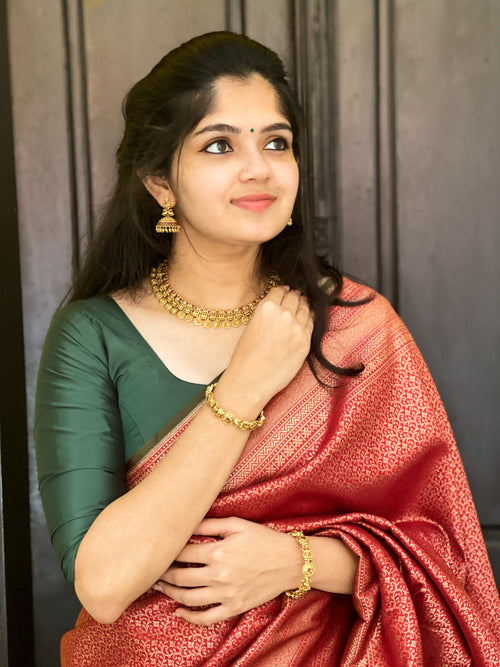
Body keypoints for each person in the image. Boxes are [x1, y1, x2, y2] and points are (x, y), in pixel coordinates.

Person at [34, 31, 500, 666]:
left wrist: (297, 561)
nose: (259, 168)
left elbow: (442, 551)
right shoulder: (92, 335)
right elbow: (105, 583)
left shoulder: (357, 327)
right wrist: (244, 387)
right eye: (219, 144)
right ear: (160, 182)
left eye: (276, 143)